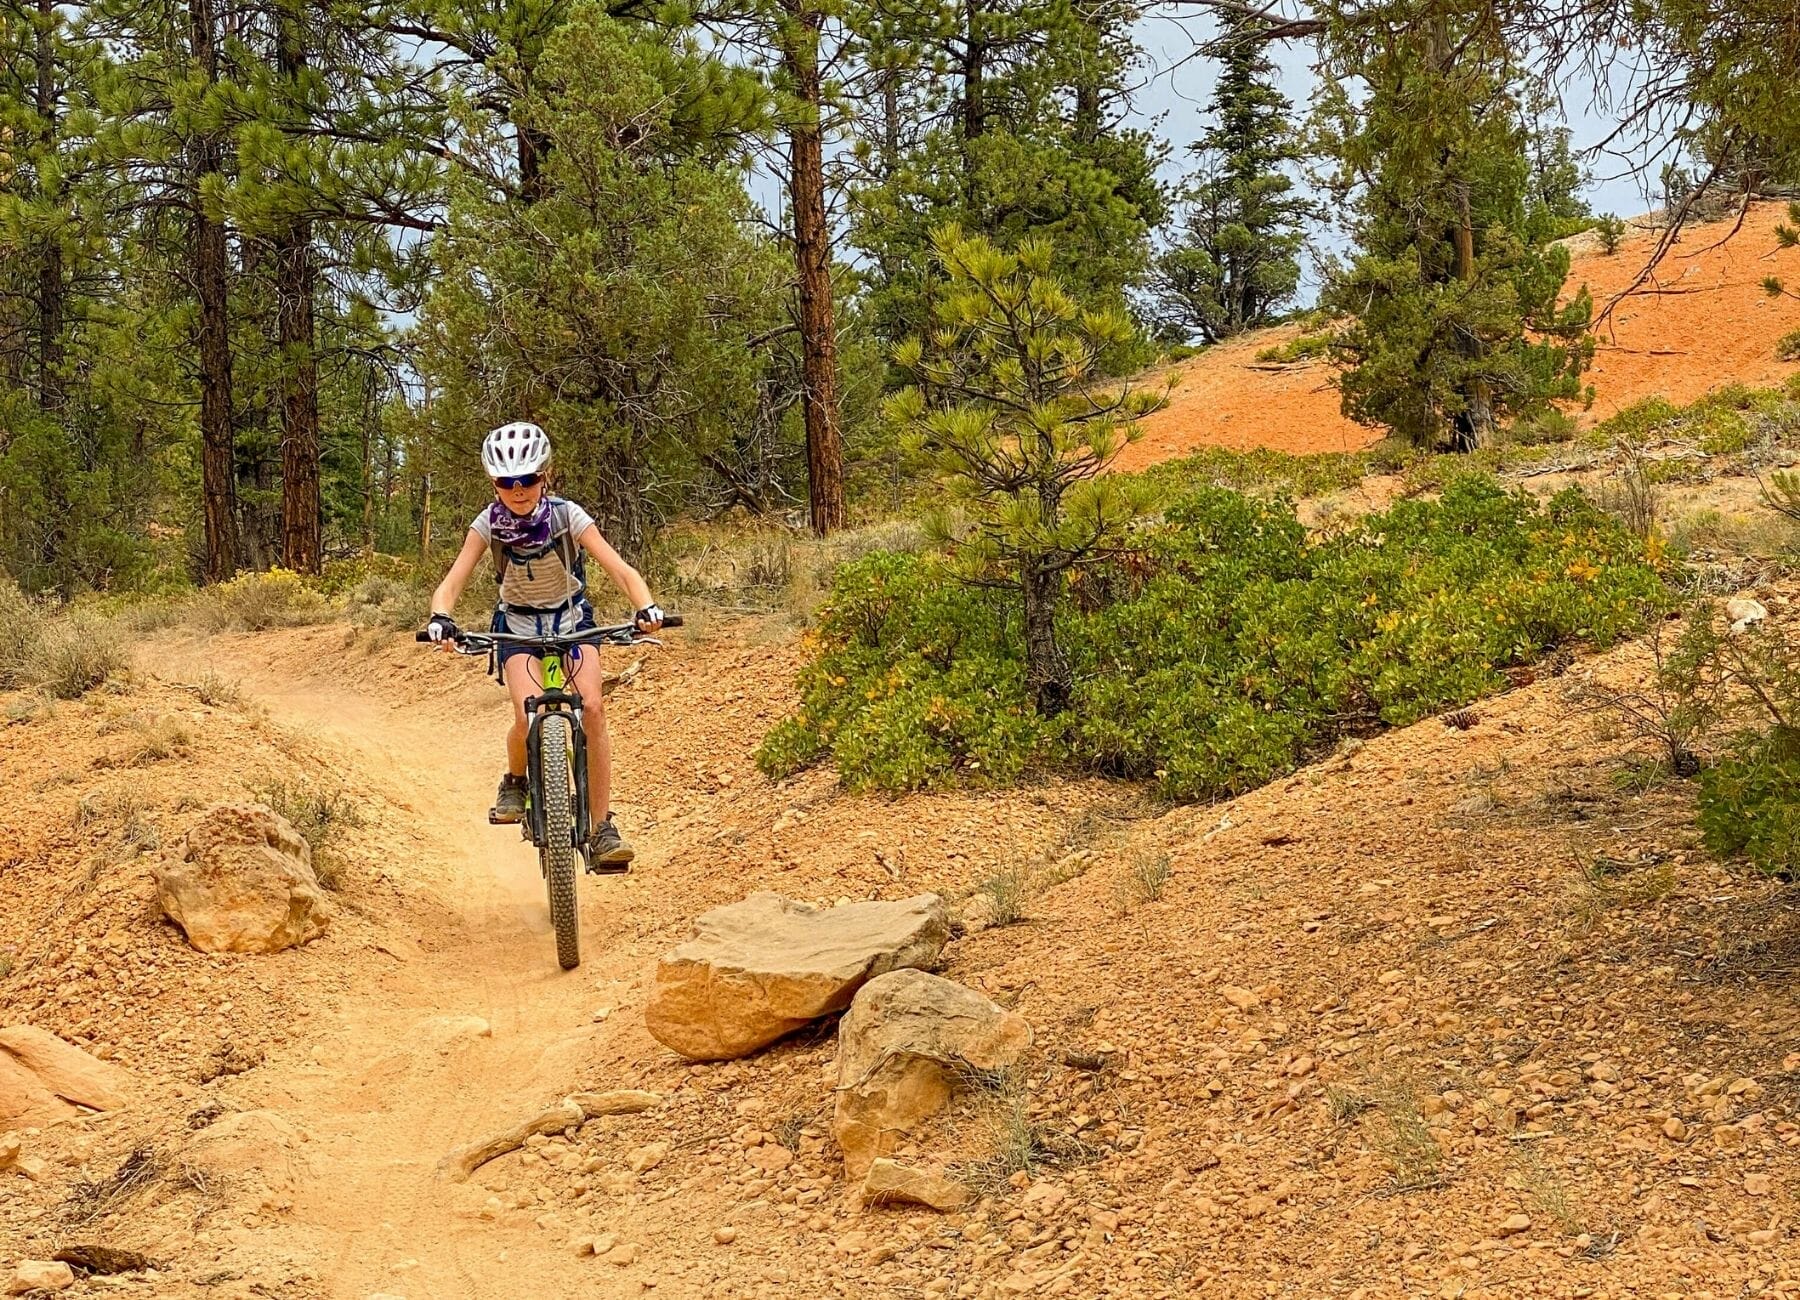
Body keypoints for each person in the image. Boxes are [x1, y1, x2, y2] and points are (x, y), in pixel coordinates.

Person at [423, 421, 662, 869]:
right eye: (506, 482)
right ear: (494, 483)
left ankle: (601, 827)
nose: (519, 490)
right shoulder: (487, 526)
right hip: (516, 626)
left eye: (528, 479)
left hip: (571, 619)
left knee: (592, 708)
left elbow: (621, 569)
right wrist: (441, 617)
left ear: (544, 476)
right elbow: (450, 584)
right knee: (524, 711)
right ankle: (515, 779)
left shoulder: (567, 516)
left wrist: (647, 607)